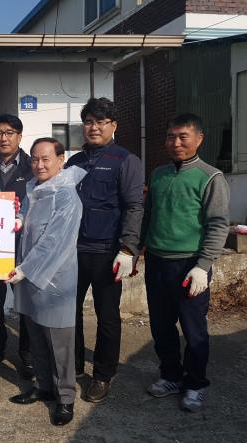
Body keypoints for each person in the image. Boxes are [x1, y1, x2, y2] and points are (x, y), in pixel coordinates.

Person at [142, 114, 229, 412]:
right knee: (161, 326)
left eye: (183, 137)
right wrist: (134, 250)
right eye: (171, 137)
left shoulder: (211, 177)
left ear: (199, 139)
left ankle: (195, 383)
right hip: (157, 263)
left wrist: (203, 266)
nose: (176, 143)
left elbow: (218, 224)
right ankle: (171, 376)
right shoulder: (159, 174)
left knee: (194, 330)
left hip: (189, 266)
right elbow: (148, 215)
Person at [65, 97, 144, 402]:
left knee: (107, 316)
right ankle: (73, 365)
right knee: (69, 312)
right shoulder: (74, 162)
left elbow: (134, 206)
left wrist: (128, 249)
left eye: (100, 122)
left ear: (113, 126)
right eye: (88, 121)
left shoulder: (125, 160)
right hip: (73, 251)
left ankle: (102, 374)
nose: (93, 127)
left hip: (107, 251)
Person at [6, 138, 85, 426]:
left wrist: (26, 270)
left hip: (54, 281)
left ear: (61, 160)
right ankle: (43, 386)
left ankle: (65, 398)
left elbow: (55, 242)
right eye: (34, 159)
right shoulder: (35, 190)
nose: (39, 165)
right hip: (28, 277)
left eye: (45, 159)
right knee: (36, 338)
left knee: (60, 344)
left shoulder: (66, 196)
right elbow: (28, 222)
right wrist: (17, 220)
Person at [0, 114, 34, 378]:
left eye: (10, 132)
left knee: (27, 305)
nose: (4, 138)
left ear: (19, 137)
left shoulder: (33, 169)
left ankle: (29, 356)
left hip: (25, 248)